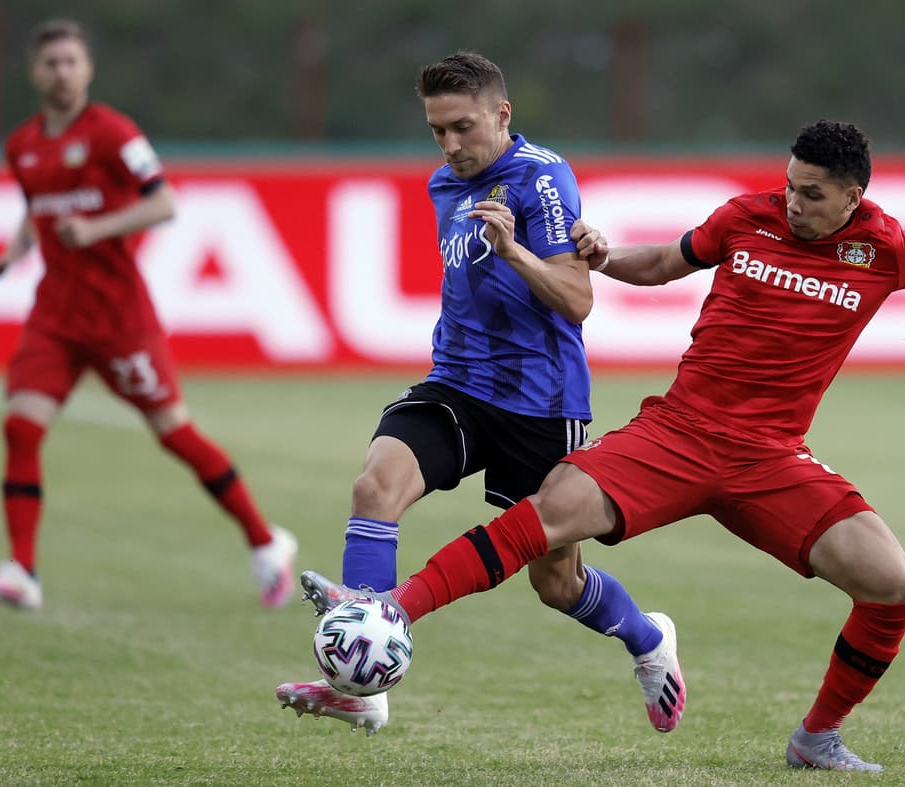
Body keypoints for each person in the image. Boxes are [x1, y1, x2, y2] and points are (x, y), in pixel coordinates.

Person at [309, 120, 905, 770]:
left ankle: (818, 738)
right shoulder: (744, 218)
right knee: (553, 514)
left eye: (813, 194)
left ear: (854, 195)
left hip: (770, 458)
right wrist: (600, 256)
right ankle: (391, 612)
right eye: (790, 187)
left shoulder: (889, 246)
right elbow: (660, 265)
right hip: (678, 431)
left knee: (894, 585)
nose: (794, 202)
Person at [273, 52, 684, 736]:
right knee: (375, 489)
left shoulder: (542, 177)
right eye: (437, 130)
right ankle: (361, 683)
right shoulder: (444, 182)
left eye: (462, 126)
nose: (450, 145)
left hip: (540, 400)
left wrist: (516, 250)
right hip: (456, 383)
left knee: (556, 583)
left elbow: (579, 300)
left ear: (502, 115)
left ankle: (648, 638)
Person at [0, 18, 297, 612]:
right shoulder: (22, 145)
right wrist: (10, 256)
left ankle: (266, 541)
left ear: (88, 69)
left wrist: (95, 228)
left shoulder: (113, 134)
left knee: (174, 433)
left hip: (119, 319)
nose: (62, 72)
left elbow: (165, 201)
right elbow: (34, 209)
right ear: (34, 72)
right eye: (51, 63)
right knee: (20, 427)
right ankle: (22, 571)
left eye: (72, 61)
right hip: (55, 318)